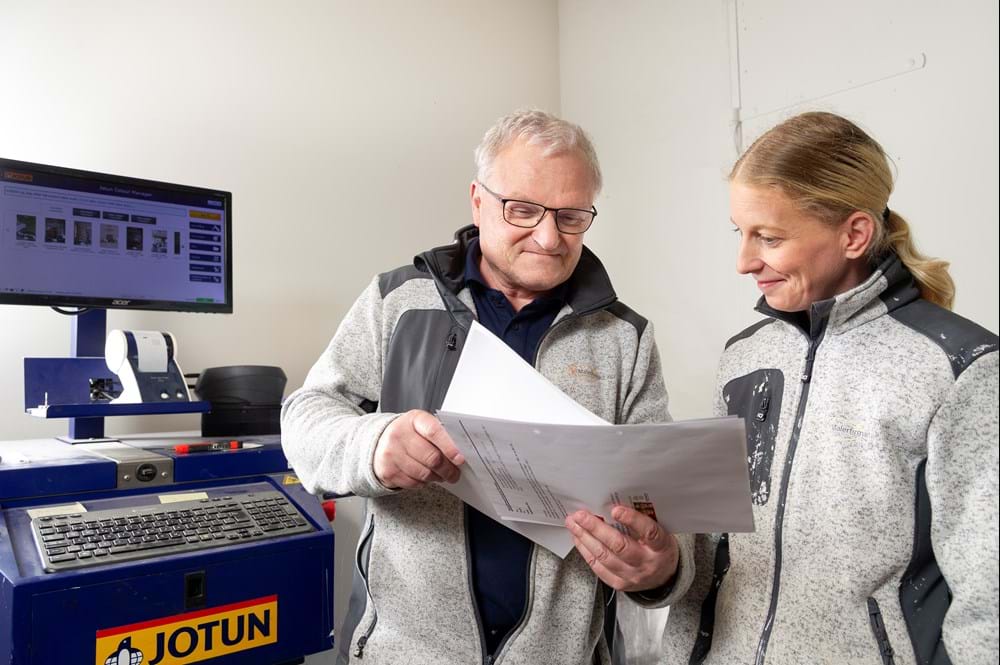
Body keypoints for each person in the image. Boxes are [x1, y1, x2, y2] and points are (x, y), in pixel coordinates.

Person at [281, 109, 688, 665]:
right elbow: (307, 417)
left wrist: (661, 569)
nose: (549, 238)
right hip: (405, 652)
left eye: (571, 217)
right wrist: (375, 445)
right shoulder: (398, 301)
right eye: (522, 210)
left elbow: (660, 498)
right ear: (478, 200)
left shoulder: (625, 338)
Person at [659, 111, 999, 664]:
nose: (744, 262)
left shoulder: (961, 367)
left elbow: (989, 599)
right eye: (739, 233)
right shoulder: (743, 357)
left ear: (854, 234)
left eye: (767, 238)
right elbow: (709, 552)